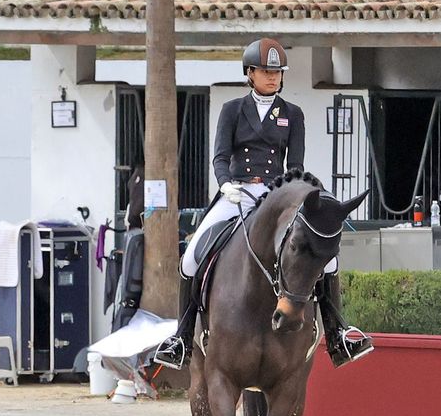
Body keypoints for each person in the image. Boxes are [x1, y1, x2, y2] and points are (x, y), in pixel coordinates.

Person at [154, 38, 371, 369]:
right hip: (237, 192)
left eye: (278, 72)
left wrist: (294, 195)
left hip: (276, 197)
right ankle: (182, 337)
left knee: (327, 261)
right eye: (266, 71)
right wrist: (226, 184)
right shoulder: (231, 110)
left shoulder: (292, 114)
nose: (273, 77)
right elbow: (220, 156)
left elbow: (295, 166)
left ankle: (338, 333)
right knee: (190, 258)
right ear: (250, 73)